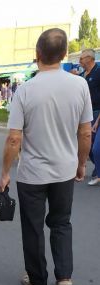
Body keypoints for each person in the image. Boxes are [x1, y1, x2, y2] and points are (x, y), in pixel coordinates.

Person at [0, 28, 92, 285]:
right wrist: (81, 163)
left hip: (32, 174)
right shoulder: (80, 85)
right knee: (62, 221)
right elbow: (85, 132)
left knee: (33, 227)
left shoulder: (25, 90)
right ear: (64, 54)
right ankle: (64, 274)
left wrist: (5, 172)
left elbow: (14, 139)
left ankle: (38, 280)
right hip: (64, 171)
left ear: (37, 54)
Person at [78, 49, 100, 184]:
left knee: (96, 146)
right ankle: (98, 169)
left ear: (90, 58)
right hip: (86, 113)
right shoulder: (82, 75)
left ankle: (97, 172)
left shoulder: (98, 72)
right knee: (88, 145)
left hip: (97, 112)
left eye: (81, 58)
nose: (79, 61)